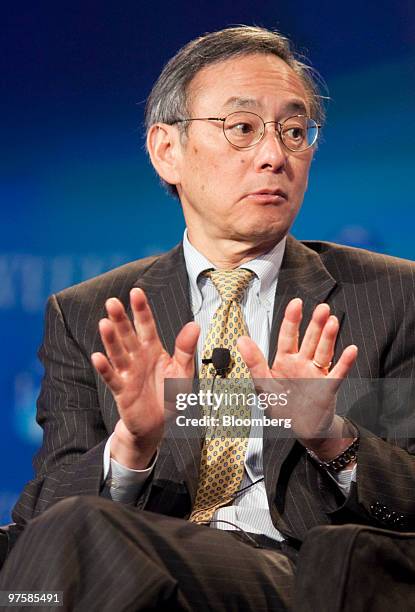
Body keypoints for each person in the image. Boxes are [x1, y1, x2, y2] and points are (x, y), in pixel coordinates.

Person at [1, 25, 415, 612]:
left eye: (294, 132)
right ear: (166, 150)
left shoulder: (392, 297)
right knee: (44, 569)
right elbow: (42, 520)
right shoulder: (89, 314)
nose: (274, 155)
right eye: (242, 129)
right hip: (132, 570)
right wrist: (131, 445)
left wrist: (332, 437)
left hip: (307, 576)